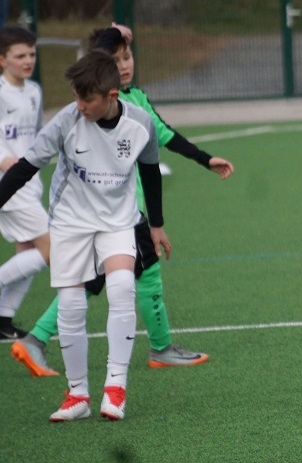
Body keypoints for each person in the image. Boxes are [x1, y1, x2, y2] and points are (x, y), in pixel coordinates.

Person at [10, 24, 234, 377]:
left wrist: (205, 159)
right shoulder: (93, 105)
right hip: (119, 216)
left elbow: (165, 137)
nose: (124, 65)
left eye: (127, 57)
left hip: (124, 214)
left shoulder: (137, 102)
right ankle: (158, 348)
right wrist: (111, 34)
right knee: (133, 275)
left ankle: (39, 340)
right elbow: (29, 164)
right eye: (116, 60)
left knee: (102, 279)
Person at [0, 50, 167, 421]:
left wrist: (156, 224)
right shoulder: (67, 120)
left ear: (111, 96)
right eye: (75, 97)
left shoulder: (140, 123)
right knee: (72, 305)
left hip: (117, 220)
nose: (79, 105)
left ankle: (115, 389)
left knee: (122, 285)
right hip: (70, 221)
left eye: (86, 99)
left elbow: (150, 172)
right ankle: (78, 396)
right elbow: (25, 167)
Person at [0, 27, 50, 340]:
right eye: (20, 56)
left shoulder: (33, 91)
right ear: (2, 59)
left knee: (28, 253)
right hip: (8, 186)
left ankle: (3, 319)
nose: (28, 60)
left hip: (30, 184)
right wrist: (3, 158)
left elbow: (37, 135)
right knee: (52, 250)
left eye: (31, 54)